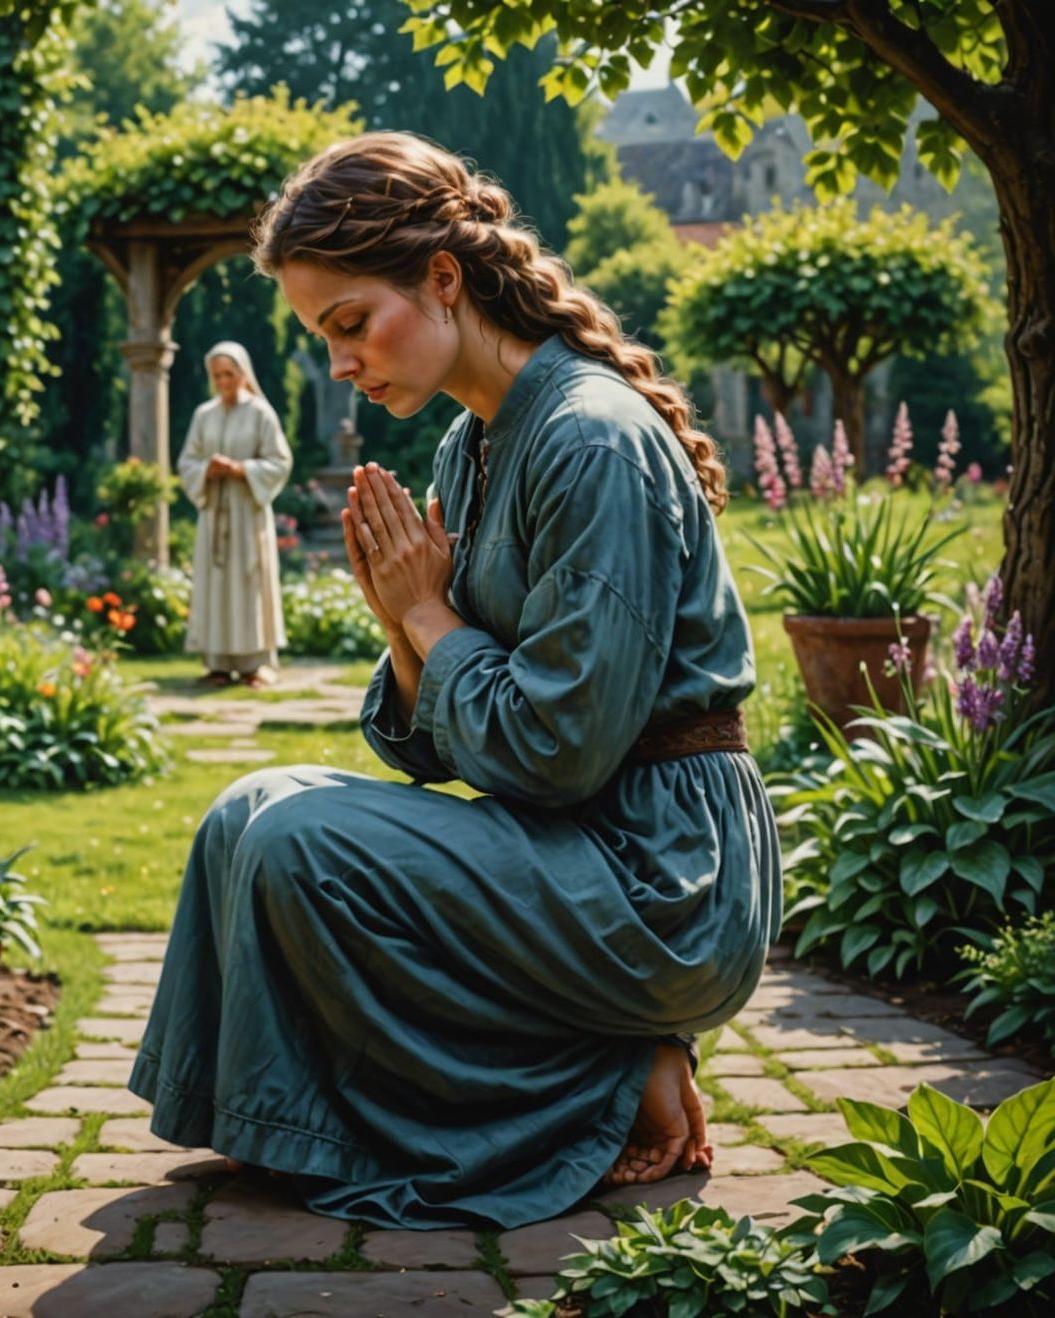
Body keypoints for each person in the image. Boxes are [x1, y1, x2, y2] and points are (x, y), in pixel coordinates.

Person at [128, 133, 781, 1231]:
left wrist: (429, 614)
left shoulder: (591, 441)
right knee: (248, 814)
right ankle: (270, 1118)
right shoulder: (467, 450)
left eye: (348, 324)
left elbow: (559, 750)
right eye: (321, 335)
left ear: (443, 278)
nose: (339, 362)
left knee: (305, 846)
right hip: (569, 843)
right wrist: (401, 628)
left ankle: (606, 1085)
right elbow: (438, 749)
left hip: (666, 880)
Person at [177, 341, 293, 688]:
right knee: (214, 584)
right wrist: (205, 470)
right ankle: (216, 662)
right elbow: (186, 462)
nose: (223, 381)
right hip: (213, 514)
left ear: (243, 374)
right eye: (217, 375)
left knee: (248, 582)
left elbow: (280, 462)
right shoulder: (204, 415)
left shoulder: (261, 414)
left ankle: (256, 663)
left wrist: (241, 469)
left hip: (248, 515)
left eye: (229, 374)